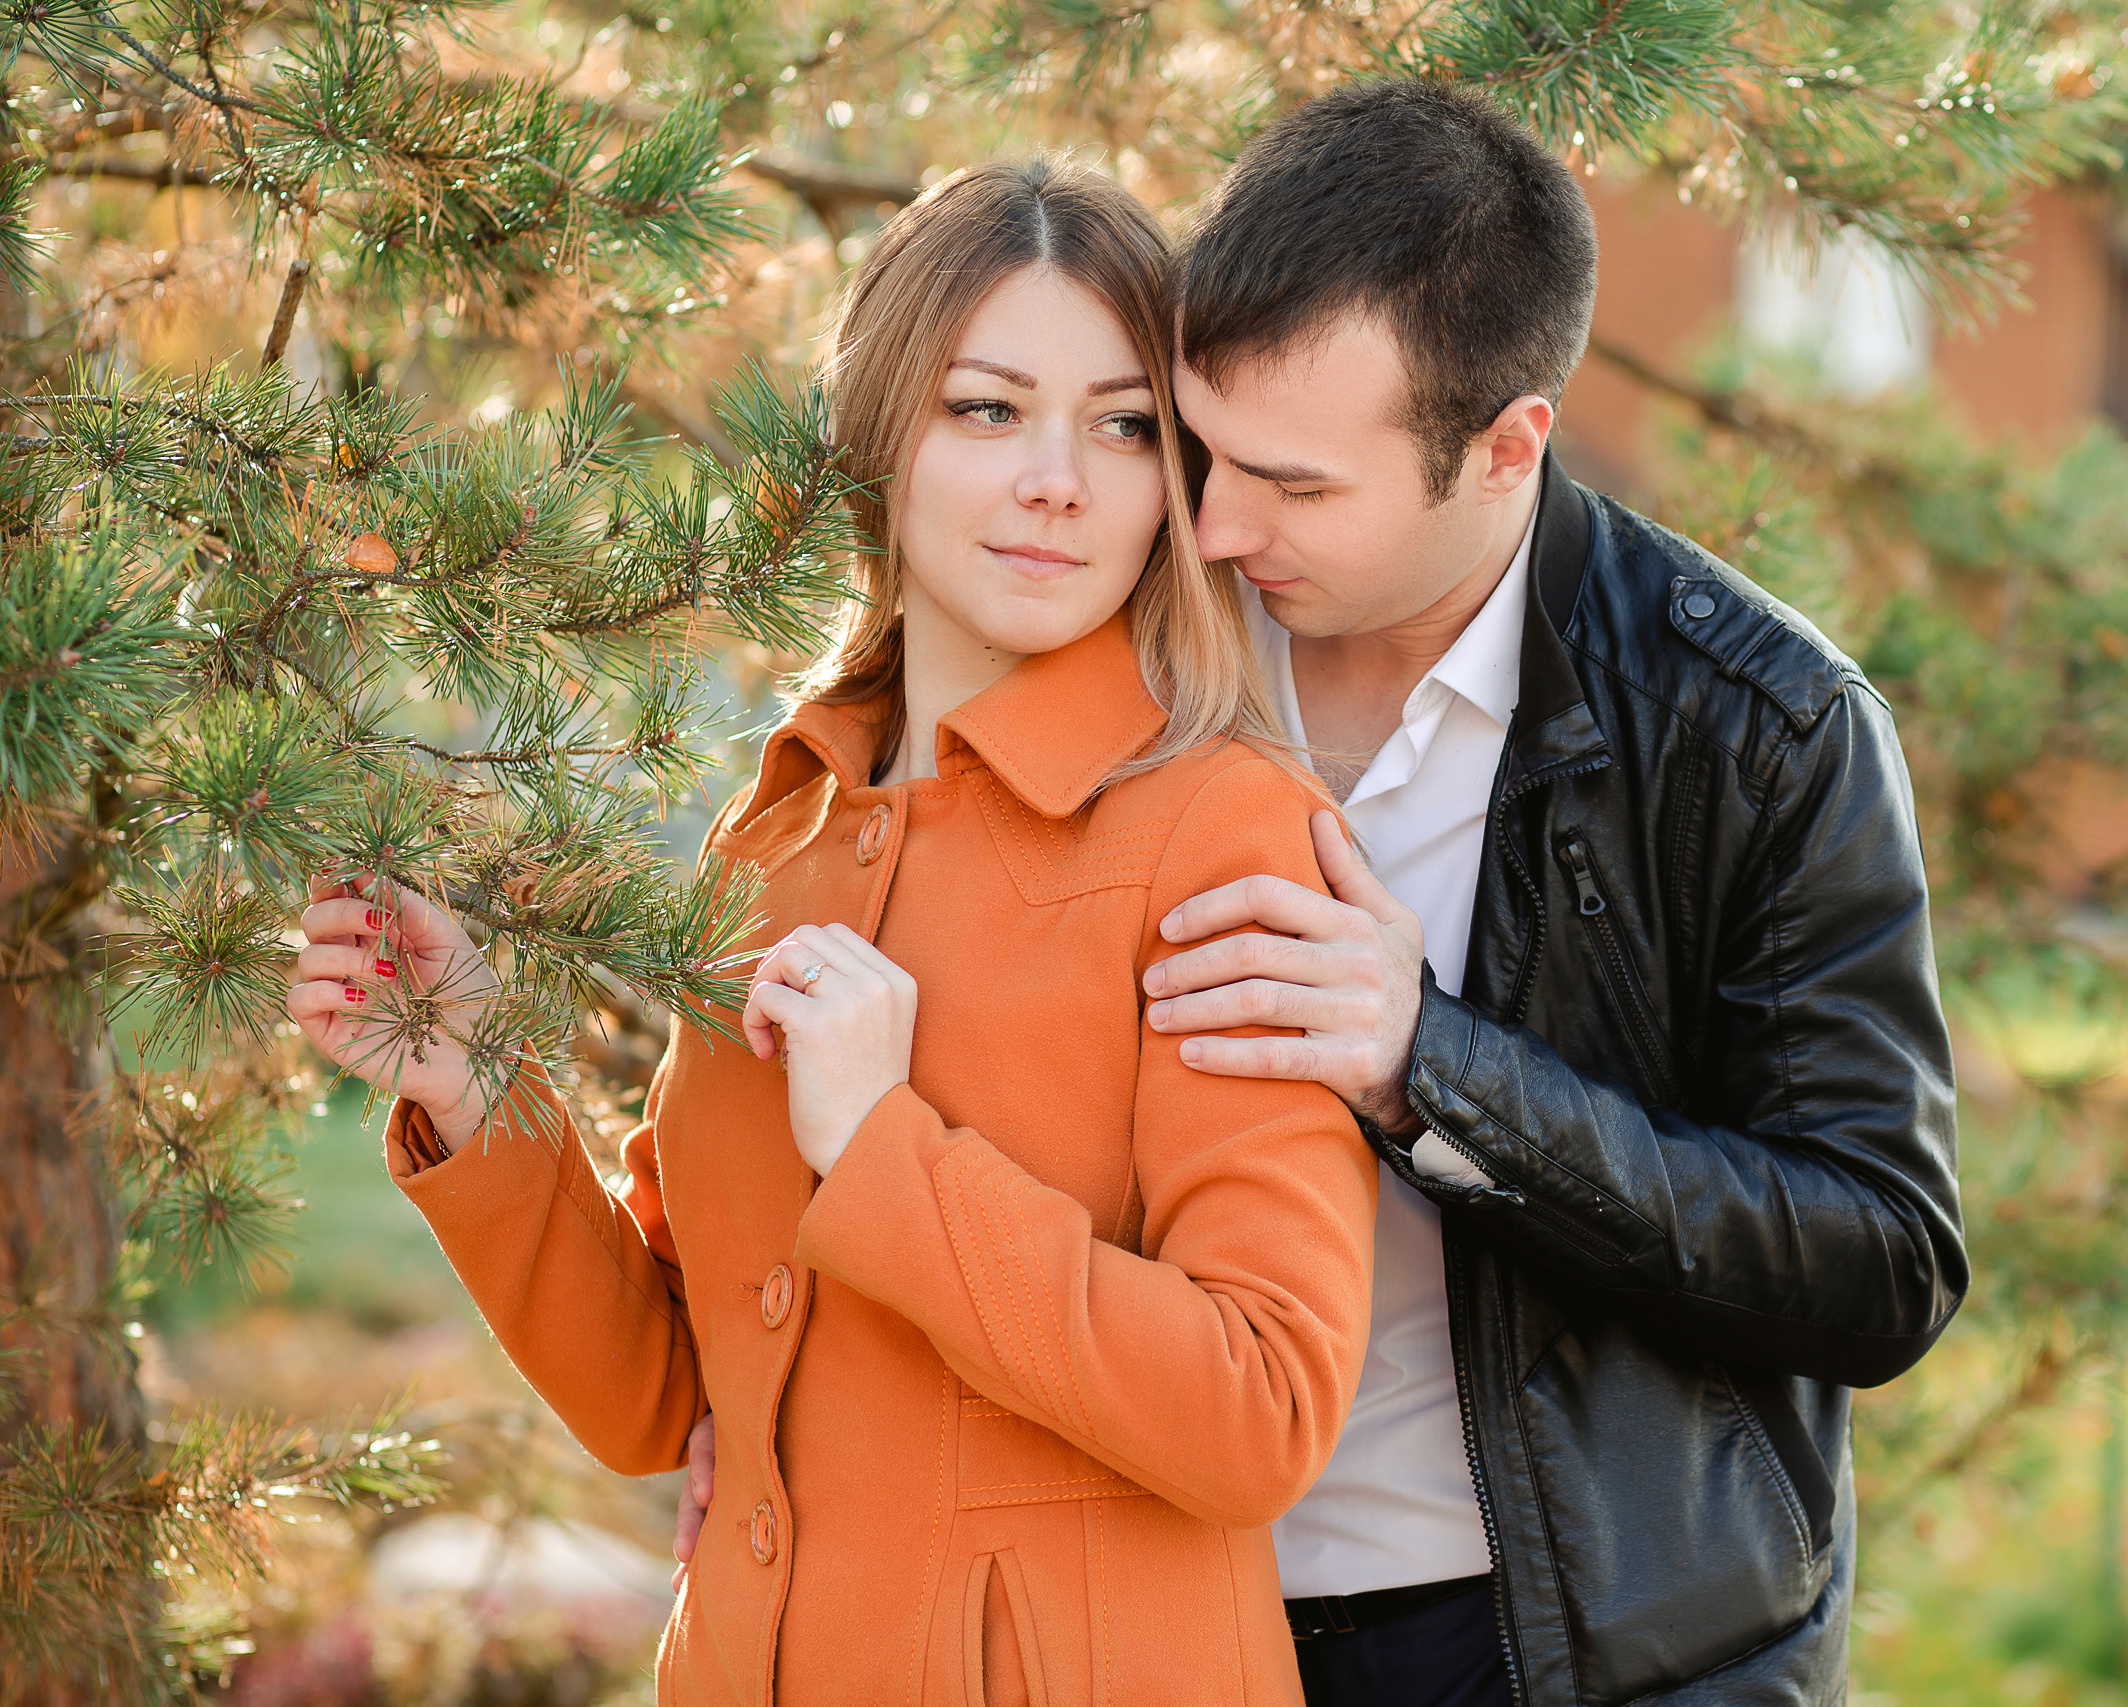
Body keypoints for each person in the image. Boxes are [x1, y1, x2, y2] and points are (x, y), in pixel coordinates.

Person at [676, 81, 1967, 1705]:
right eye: (1196, 444)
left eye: (1292, 485)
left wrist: (1434, 1067)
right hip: (1147, 1617)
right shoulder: (1135, 623)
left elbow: (1881, 1260)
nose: (1215, 527)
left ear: (1505, 450)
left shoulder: (1753, 730)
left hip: (1572, 1641)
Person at [287, 158, 1379, 1707]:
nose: (1058, 480)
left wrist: (883, 1147)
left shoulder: (1221, 828)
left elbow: (1259, 1410)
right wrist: (480, 1083)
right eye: (987, 409)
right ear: (877, 436)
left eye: (1125, 426)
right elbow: (663, 1392)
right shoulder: (781, 831)